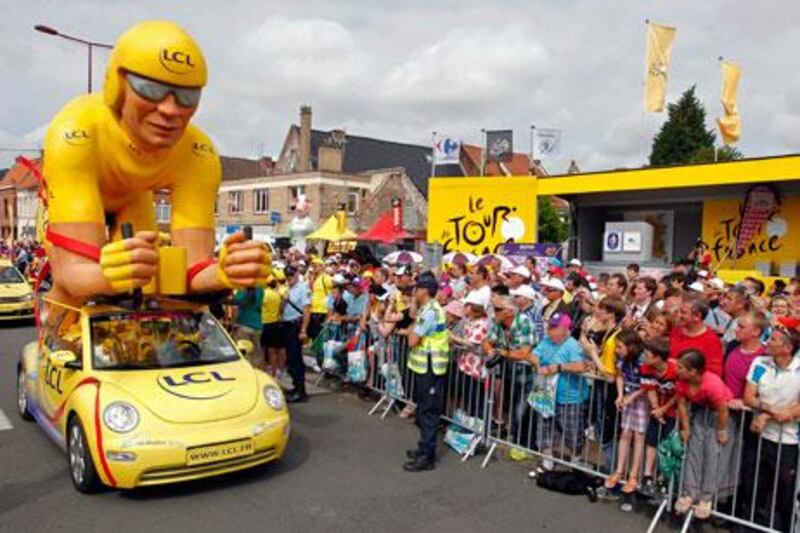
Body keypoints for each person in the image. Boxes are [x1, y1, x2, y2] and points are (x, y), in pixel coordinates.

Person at [42, 21, 269, 306]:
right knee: (73, 296)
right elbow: (71, 275)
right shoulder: (75, 132)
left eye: (187, 96)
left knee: (149, 285)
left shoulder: (199, 153)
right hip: (79, 189)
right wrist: (106, 277)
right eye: (150, 90)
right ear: (116, 85)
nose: (170, 110)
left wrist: (224, 273)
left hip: (134, 197)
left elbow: (192, 273)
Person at [742, 327, 800, 532]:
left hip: (788, 441)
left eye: (773, 340)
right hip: (759, 436)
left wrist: (767, 415)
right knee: (753, 486)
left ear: (787, 347)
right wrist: (768, 409)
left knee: (785, 493)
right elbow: (749, 397)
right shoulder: (760, 363)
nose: (767, 343)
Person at [674, 349, 733, 520]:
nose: (676, 370)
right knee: (693, 452)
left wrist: (722, 431)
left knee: (713, 455)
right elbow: (682, 405)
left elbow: (723, 409)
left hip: (721, 416)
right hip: (701, 413)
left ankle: (707, 498)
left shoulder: (712, 383)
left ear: (693, 371)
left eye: (680, 367)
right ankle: (689, 493)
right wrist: (685, 429)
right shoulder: (681, 382)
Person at [530, 312, 589, 475]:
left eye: (555, 327)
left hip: (570, 397)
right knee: (544, 429)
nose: (550, 330)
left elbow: (580, 366)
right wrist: (537, 364)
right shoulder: (546, 341)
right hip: (546, 394)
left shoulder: (572, 345)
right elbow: (534, 354)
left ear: (565, 329)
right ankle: (547, 462)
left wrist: (558, 367)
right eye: (550, 326)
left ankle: (576, 462)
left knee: (572, 432)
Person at [403, 272, 449, 472]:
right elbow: (413, 321)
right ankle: (423, 447)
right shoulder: (427, 309)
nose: (414, 292)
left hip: (431, 367)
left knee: (428, 412)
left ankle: (427, 456)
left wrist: (412, 330)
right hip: (425, 366)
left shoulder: (430, 311)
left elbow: (412, 340)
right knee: (423, 409)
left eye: (417, 289)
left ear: (424, 290)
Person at [604, 329, 648, 506]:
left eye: (620, 347)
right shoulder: (621, 360)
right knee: (624, 434)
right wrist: (620, 395)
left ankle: (634, 475)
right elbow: (619, 376)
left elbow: (648, 384)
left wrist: (632, 396)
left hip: (642, 400)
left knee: (638, 437)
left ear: (631, 346)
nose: (617, 350)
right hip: (628, 396)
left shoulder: (642, 359)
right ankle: (619, 470)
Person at [639, 337, 677, 497]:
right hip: (657, 409)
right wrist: (656, 409)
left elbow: (680, 393)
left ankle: (664, 478)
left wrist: (665, 409)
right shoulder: (647, 368)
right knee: (652, 440)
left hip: (674, 410)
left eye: (648, 354)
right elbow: (651, 389)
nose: (644, 356)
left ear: (658, 357)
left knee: (668, 445)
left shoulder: (675, 369)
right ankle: (647, 476)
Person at [669, 295, 724, 377]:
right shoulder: (676, 329)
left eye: (683, 312)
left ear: (697, 317)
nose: (678, 315)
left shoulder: (711, 341)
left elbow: (713, 374)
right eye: (679, 311)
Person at [282, 266, 311, 403]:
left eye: (292, 275)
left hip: (296, 325)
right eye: (287, 276)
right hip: (287, 324)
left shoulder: (303, 288)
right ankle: (296, 386)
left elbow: (306, 310)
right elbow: (282, 309)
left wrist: (303, 330)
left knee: (296, 359)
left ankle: (301, 391)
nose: (289, 278)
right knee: (291, 359)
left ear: (297, 274)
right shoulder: (288, 288)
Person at [231, 286, 264, 369]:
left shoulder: (242, 290)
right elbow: (261, 306)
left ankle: (246, 373)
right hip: (257, 325)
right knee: (256, 353)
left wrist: (233, 323)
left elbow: (236, 307)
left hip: (243, 325)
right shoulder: (260, 290)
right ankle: (256, 373)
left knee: (244, 353)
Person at [260, 276, 286, 377]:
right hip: (276, 323)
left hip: (266, 323)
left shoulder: (265, 294)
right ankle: (277, 372)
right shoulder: (278, 294)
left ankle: (267, 371)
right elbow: (281, 308)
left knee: (266, 350)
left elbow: (259, 306)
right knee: (277, 349)